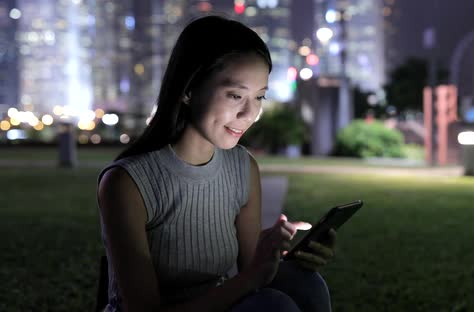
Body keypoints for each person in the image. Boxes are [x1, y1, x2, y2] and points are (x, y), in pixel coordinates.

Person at [97, 16, 335, 312]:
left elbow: (252, 268)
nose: (249, 113)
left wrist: (279, 253)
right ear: (188, 89)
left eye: (259, 97)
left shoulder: (242, 167)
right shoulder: (127, 182)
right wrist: (250, 279)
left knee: (305, 282)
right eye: (235, 95)